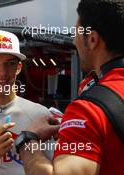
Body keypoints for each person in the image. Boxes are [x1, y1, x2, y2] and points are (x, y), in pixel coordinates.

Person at [18, 0, 124, 175]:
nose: (74, 41)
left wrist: (27, 140)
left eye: (76, 33)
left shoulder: (88, 110)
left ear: (92, 39)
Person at [0, 29, 53, 175]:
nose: (2, 72)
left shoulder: (39, 114)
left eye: (10, 63)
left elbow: (53, 169)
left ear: (19, 67)